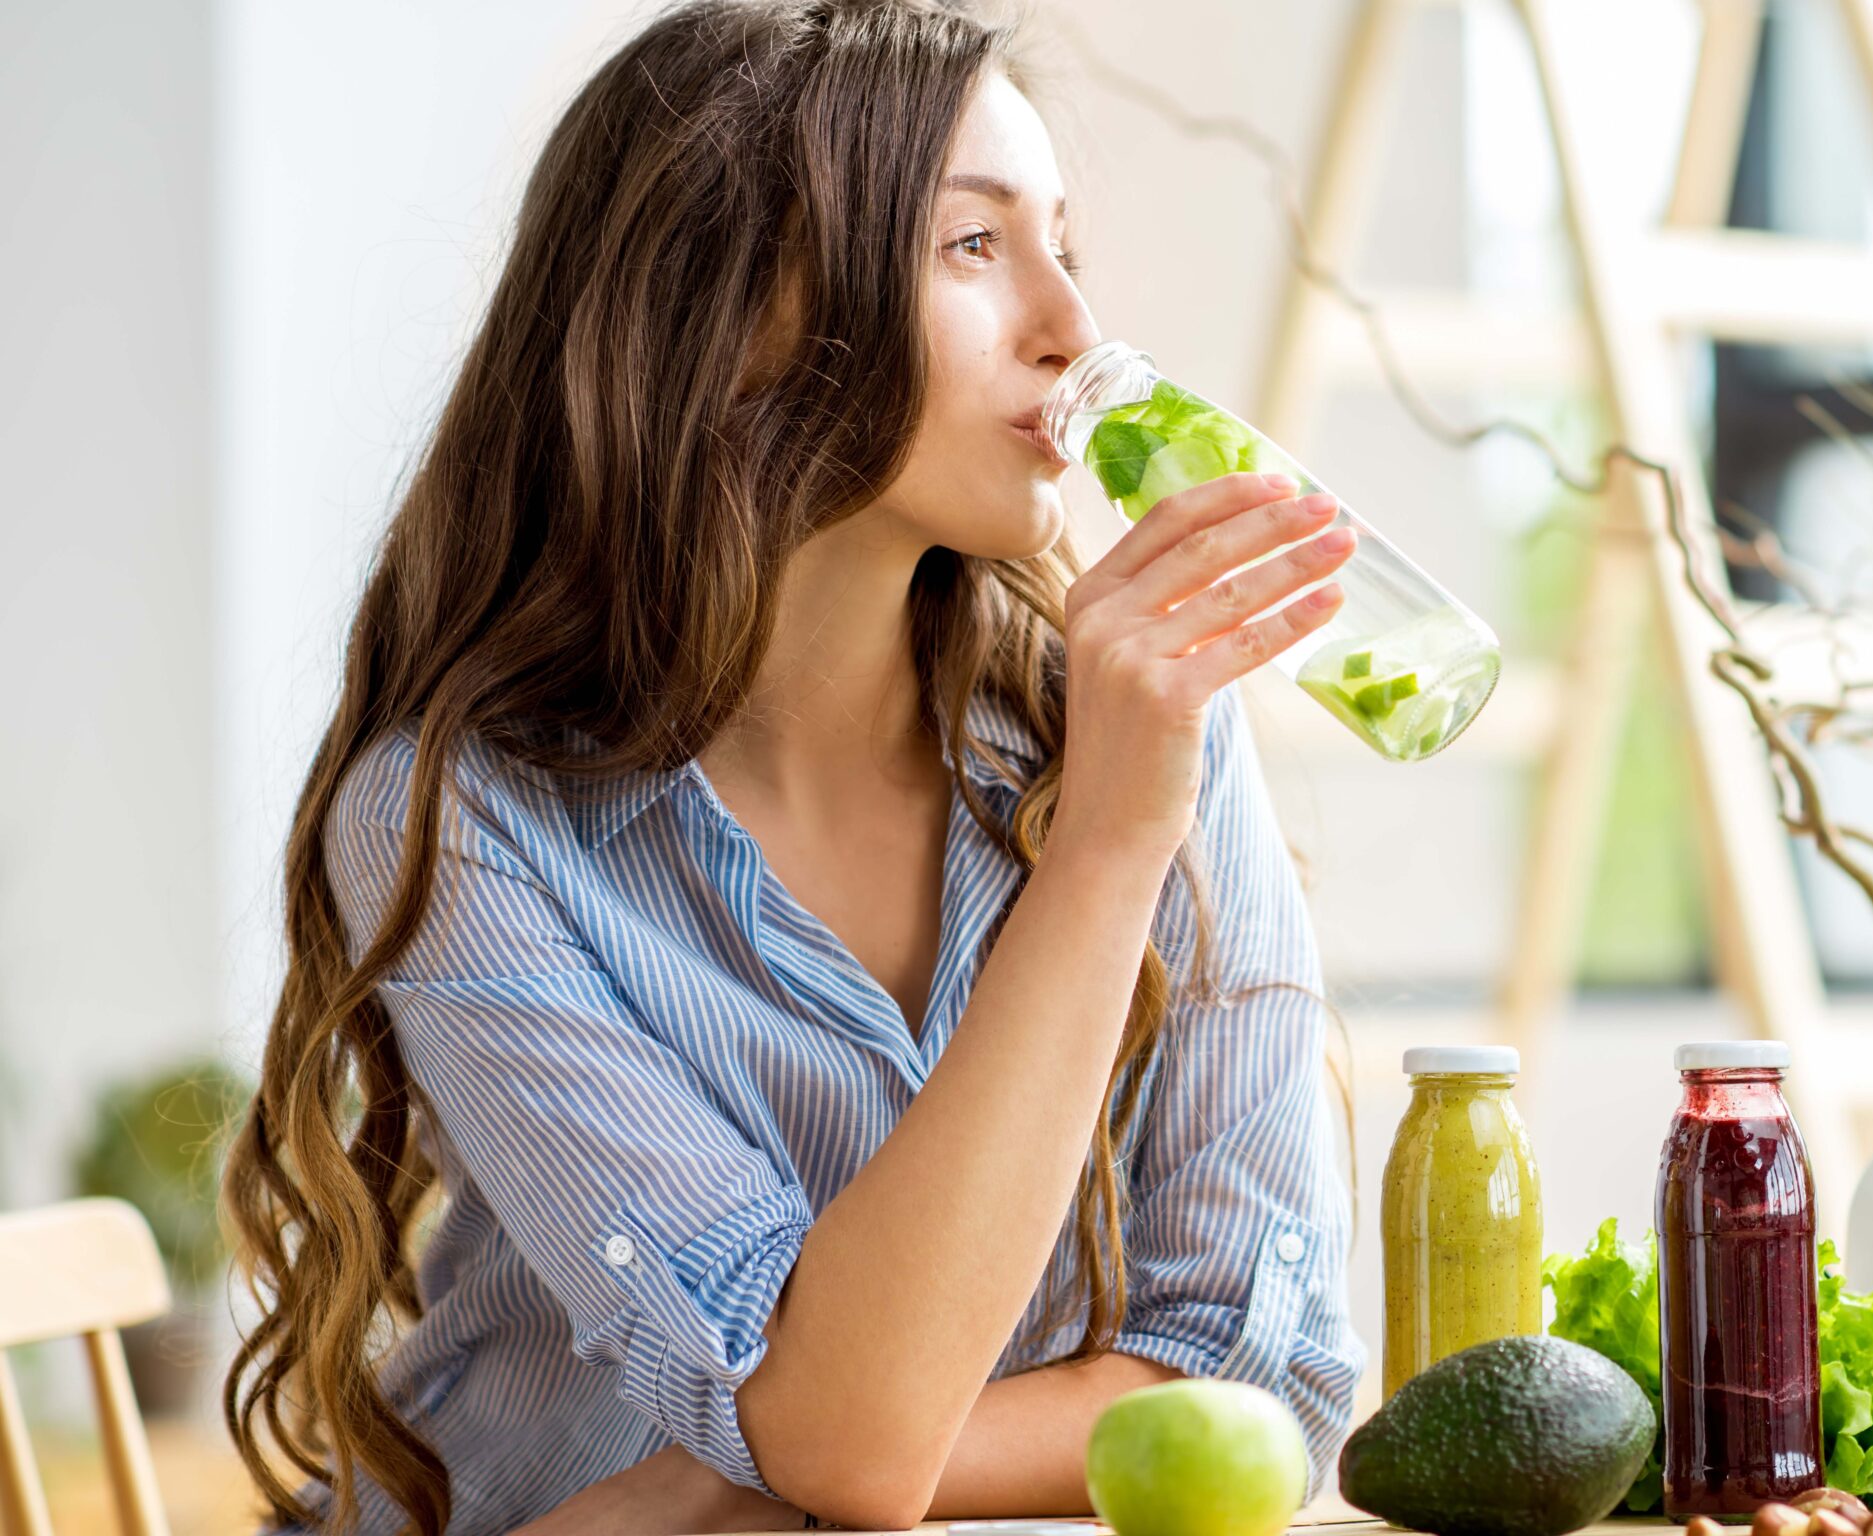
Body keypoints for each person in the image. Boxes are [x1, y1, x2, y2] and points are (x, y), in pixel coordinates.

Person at [219, 3, 1364, 1532]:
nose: (1075, 331)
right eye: (974, 247)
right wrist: (1100, 861)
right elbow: (867, 1442)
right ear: (743, 309)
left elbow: (1257, 1392)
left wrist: (734, 1470)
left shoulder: (1143, 733)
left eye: (1063, 247)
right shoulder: (466, 824)